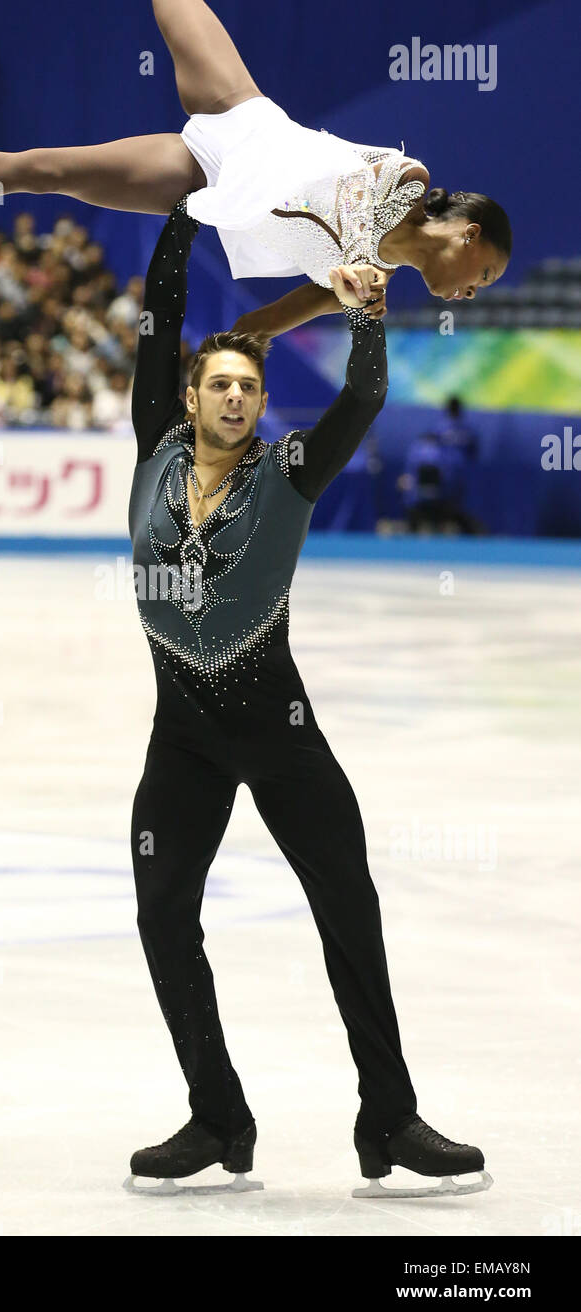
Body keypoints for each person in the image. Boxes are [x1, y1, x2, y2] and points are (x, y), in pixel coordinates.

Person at [122, 198, 493, 1199]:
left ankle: (389, 1116)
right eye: (223, 383)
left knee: (347, 906)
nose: (238, 397)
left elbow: (361, 400)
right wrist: (179, 218)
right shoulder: (153, 446)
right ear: (190, 395)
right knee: (162, 916)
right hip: (182, 741)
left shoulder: (287, 472)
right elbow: (158, 323)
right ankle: (217, 1114)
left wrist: (367, 310)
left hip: (278, 738)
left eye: (250, 386)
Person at [0, 0, 510, 332]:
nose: (472, 292)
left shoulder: (370, 280)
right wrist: (354, 280)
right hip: (239, 119)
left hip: (203, 175)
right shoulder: (408, 183)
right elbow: (363, 209)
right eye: (483, 276)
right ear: (467, 233)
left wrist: (224, 361)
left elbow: (262, 323)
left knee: (49, 172)